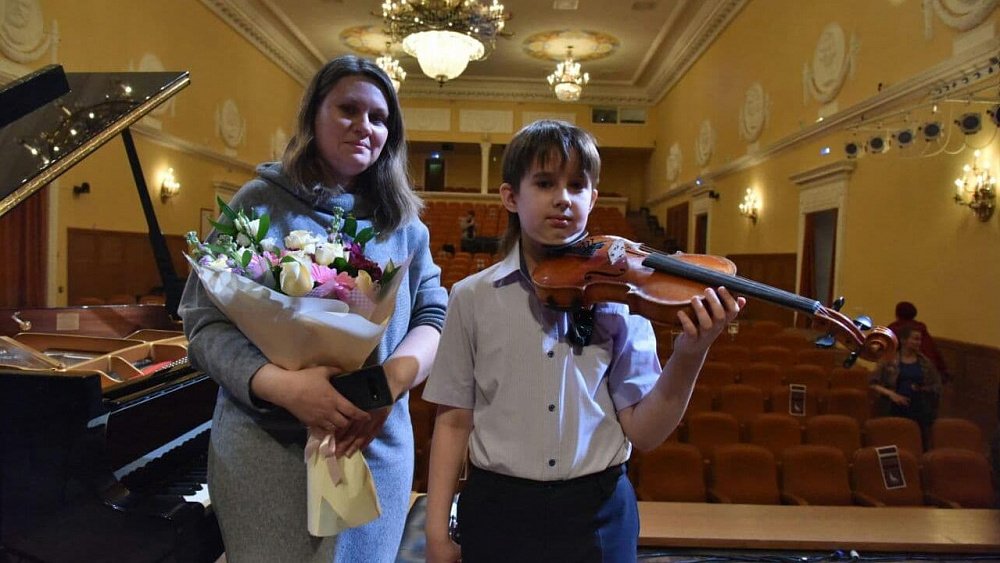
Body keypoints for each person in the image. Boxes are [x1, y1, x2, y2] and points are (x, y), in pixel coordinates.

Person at [422, 120, 743, 563]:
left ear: (593, 198)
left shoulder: (625, 294)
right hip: (498, 509)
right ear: (511, 197)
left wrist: (691, 353)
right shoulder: (472, 297)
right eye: (545, 182)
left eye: (577, 185)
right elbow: (454, 420)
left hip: (598, 512)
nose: (563, 198)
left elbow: (645, 433)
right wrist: (436, 531)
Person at [178, 55, 447, 562]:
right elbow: (202, 320)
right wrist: (283, 387)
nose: (364, 126)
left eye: (379, 117)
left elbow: (434, 317)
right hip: (265, 451)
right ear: (314, 115)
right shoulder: (259, 202)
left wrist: (386, 384)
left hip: (373, 442)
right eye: (348, 109)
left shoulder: (406, 226)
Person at [870, 324, 943, 448]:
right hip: (892, 409)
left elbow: (936, 385)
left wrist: (922, 389)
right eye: (915, 339)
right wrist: (892, 394)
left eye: (919, 339)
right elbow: (873, 383)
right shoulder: (889, 359)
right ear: (904, 340)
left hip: (918, 410)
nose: (918, 342)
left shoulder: (925, 362)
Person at [888, 301, 948, 381]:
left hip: (902, 372)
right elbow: (933, 350)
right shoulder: (920, 328)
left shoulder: (894, 328)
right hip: (928, 371)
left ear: (897, 314)